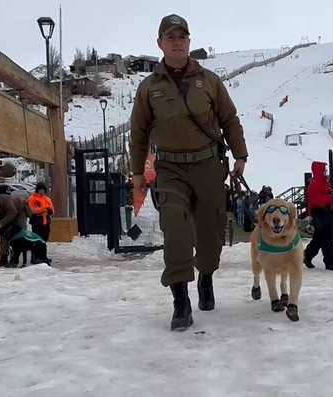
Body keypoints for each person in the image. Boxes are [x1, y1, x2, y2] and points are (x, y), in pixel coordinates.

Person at [129, 14, 248, 331]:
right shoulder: (149, 88)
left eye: (182, 36)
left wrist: (240, 155)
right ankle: (180, 300)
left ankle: (205, 276)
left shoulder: (209, 81)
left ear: (189, 42)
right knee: (176, 229)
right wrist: (137, 173)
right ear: (160, 44)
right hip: (169, 168)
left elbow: (230, 119)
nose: (177, 42)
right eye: (171, 37)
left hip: (208, 165)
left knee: (209, 233)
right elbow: (138, 133)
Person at [304, 161, 333, 270]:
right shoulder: (316, 183)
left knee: (319, 238)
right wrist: (331, 197)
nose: (326, 172)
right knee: (327, 237)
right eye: (324, 170)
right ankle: (329, 261)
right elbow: (315, 200)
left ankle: (307, 256)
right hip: (320, 212)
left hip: (322, 212)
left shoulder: (321, 182)